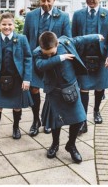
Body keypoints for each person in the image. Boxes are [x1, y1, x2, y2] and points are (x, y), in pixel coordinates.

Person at [33, 31, 104, 163]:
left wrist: (96, 37)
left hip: (71, 88)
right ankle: (55, 144)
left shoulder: (65, 42)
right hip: (54, 91)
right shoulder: (37, 52)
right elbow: (40, 65)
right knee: (55, 122)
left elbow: (81, 39)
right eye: (46, 53)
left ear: (57, 43)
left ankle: (71, 145)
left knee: (79, 119)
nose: (48, 55)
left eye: (52, 53)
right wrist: (60, 57)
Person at [23, 0, 72, 136]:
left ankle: (47, 119)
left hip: (53, 61)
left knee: (50, 92)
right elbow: (25, 38)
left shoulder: (63, 16)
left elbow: (67, 39)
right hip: (35, 60)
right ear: (39, 0)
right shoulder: (30, 16)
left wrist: (57, 53)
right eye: (42, 0)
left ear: (54, 0)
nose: (45, 3)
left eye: (48, 0)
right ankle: (35, 120)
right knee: (34, 90)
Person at [72, 0, 108, 134]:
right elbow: (73, 38)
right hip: (83, 58)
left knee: (100, 87)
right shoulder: (78, 15)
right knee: (83, 88)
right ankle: (83, 120)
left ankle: (97, 111)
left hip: (101, 58)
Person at [0, 13, 32, 149]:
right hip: (0, 78)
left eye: (9, 24)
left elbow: (28, 58)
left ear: (14, 25)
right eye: (4, 24)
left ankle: (16, 127)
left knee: (16, 106)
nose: (7, 27)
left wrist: (27, 79)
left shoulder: (21, 39)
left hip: (17, 78)